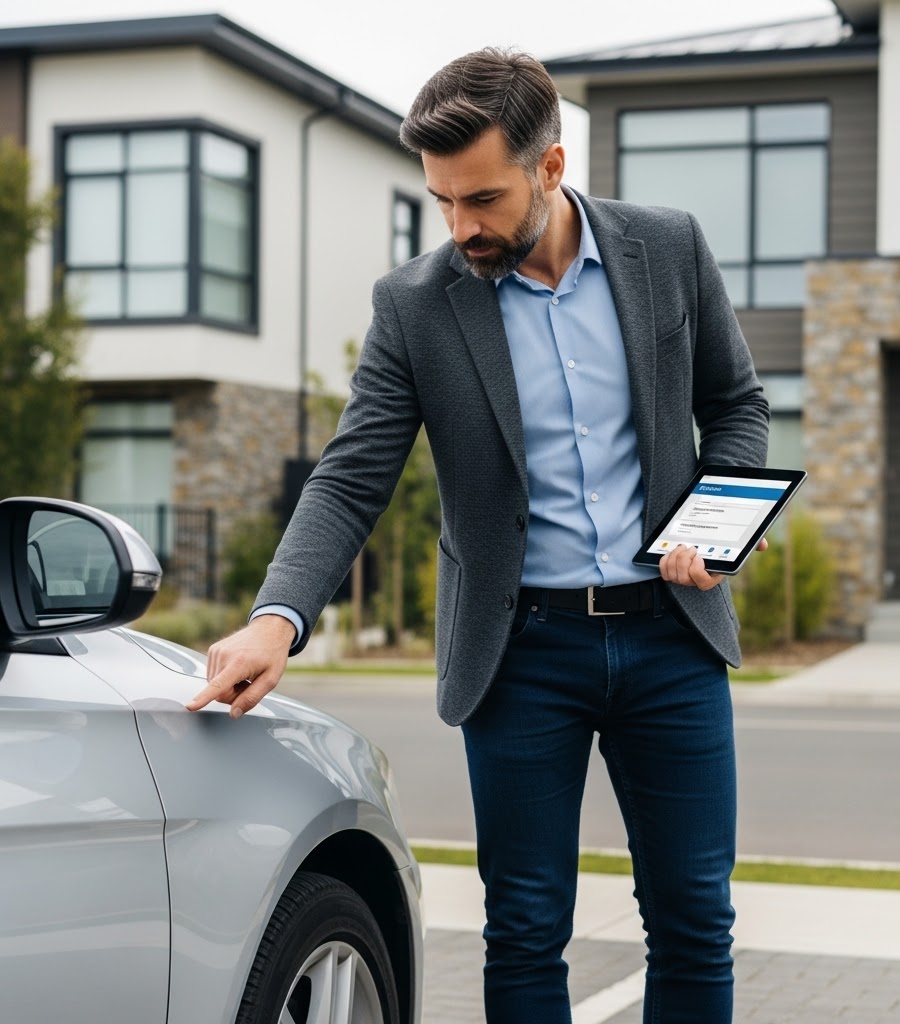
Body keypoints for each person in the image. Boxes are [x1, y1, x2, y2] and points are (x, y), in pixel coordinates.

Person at [187, 47, 769, 1024]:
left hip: (673, 633)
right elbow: (352, 474)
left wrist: (714, 525)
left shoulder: (667, 246)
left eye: (482, 199)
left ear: (550, 165)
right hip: (520, 652)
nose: (460, 227)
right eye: (441, 202)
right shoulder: (414, 305)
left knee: (693, 920)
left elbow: (737, 406)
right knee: (526, 928)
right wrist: (276, 618)